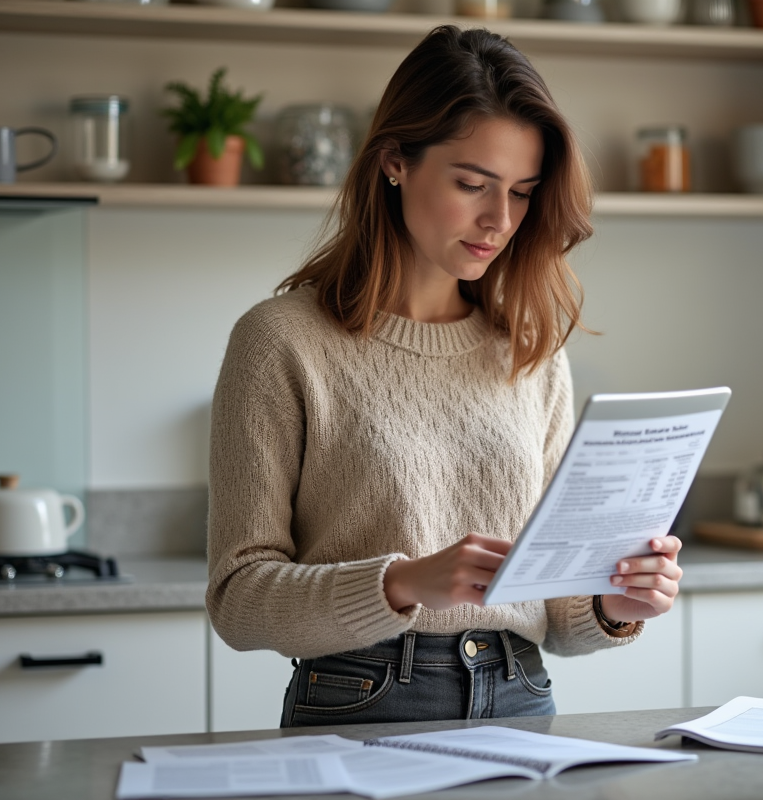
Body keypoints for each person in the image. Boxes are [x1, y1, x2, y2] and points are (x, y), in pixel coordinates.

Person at [205, 24, 684, 727]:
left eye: (522, 192)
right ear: (395, 160)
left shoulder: (531, 353)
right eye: (472, 184)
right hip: (363, 700)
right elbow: (239, 601)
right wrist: (401, 584)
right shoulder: (281, 341)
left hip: (523, 694)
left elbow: (554, 614)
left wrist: (615, 604)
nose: (500, 219)